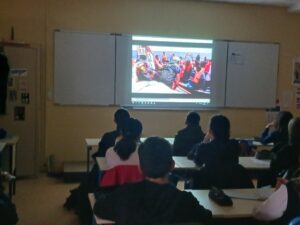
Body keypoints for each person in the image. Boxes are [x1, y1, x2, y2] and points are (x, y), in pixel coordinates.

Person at [93, 137, 213, 225]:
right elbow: (207, 218)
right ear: (172, 165)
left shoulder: (125, 194)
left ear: (140, 168)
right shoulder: (185, 201)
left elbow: (99, 208)